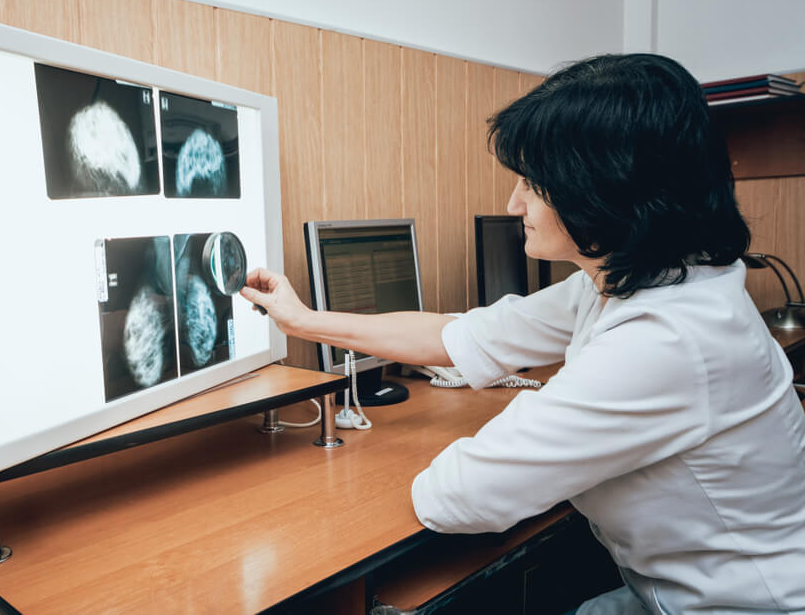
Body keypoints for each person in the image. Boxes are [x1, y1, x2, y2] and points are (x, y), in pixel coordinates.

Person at [240, 53, 805, 614]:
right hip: (668, 585)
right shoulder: (641, 275)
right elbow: (458, 336)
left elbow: (459, 496)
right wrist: (303, 320)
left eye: (534, 184)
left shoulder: (668, 338)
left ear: (606, 190)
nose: (514, 203)